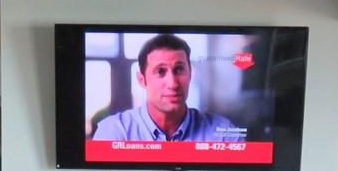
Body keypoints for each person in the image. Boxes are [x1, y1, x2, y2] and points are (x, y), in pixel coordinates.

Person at [90, 34, 244, 143]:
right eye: (160, 71)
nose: (173, 84)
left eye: (179, 69)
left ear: (190, 74)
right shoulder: (114, 132)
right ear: (142, 80)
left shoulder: (224, 135)